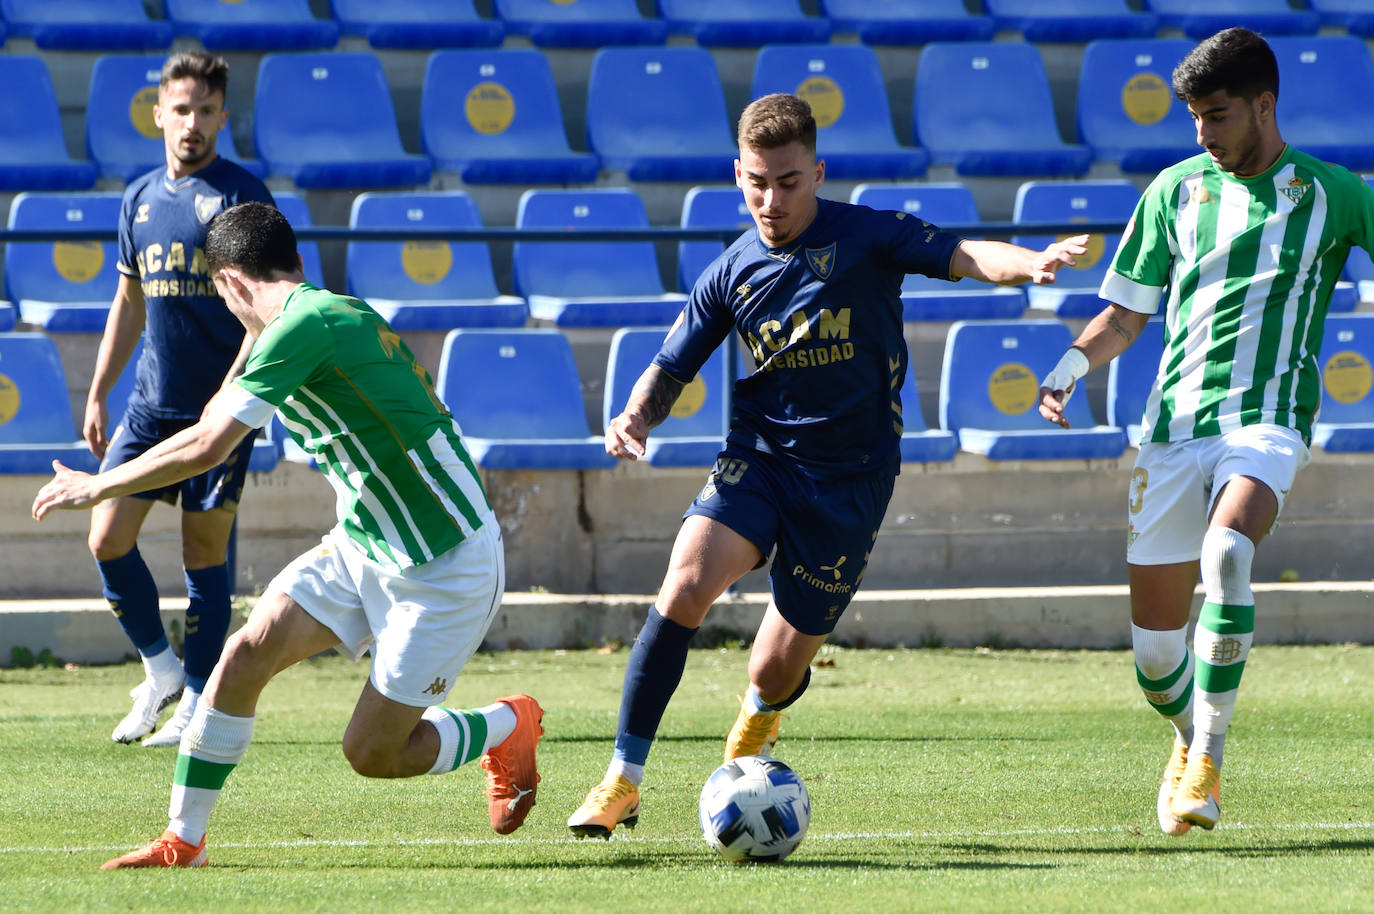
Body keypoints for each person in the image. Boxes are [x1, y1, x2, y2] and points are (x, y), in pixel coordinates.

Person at [567, 92, 1089, 838]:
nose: (770, 199)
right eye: (756, 181)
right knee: (684, 583)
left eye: (787, 181)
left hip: (851, 481)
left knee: (773, 673)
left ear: (817, 171)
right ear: (737, 174)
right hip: (763, 459)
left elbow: (964, 253)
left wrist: (1027, 264)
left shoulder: (869, 236)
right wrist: (634, 418)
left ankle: (756, 723)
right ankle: (622, 778)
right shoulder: (731, 272)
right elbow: (671, 364)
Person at [33, 201, 543, 868]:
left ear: (228, 285)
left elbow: (209, 445)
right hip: (368, 543)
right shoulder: (321, 314)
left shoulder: (305, 327)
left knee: (374, 754)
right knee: (246, 652)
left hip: (445, 565)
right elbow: (225, 405)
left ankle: (509, 724)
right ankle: (183, 841)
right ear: (295, 264)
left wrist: (97, 485)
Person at [1037, 28, 1374, 836]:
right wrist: (1071, 367)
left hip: (1267, 421)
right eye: (1194, 119)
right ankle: (1188, 736)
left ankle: (1209, 763)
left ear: (1265, 104)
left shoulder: (1336, 192)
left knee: (1229, 552)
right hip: (1172, 430)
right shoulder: (1175, 191)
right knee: (1156, 663)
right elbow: (1123, 317)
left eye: (1217, 116)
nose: (1204, 135)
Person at [85, 52, 274, 747]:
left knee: (203, 556)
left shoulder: (241, 199)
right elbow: (127, 304)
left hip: (216, 413)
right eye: (181, 109)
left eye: (206, 111)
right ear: (158, 114)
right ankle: (161, 671)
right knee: (105, 538)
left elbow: (267, 313)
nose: (192, 124)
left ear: (223, 116)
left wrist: (233, 397)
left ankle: (198, 699)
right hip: (148, 406)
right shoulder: (137, 199)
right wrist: (100, 390)